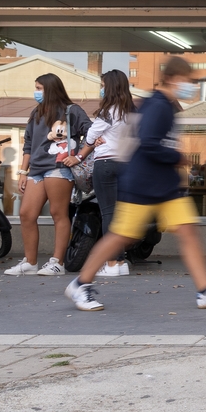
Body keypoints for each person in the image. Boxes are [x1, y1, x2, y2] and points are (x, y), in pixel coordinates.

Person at [64, 57, 206, 311]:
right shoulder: (157, 106)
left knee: (188, 231)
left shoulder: (163, 105)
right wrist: (177, 157)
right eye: (186, 81)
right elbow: (148, 143)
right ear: (172, 79)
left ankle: (205, 291)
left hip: (163, 186)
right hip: (143, 184)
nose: (189, 86)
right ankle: (80, 284)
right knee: (120, 236)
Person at [6, 73, 91, 277]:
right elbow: (28, 144)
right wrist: (23, 172)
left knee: (57, 213)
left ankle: (57, 262)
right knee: (26, 214)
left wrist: (78, 157)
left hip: (58, 168)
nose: (36, 92)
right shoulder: (36, 112)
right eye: (36, 88)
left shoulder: (72, 110)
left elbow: (91, 133)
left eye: (39, 88)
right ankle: (30, 262)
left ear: (50, 89)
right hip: (36, 170)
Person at [67, 69, 136, 277]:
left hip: (105, 164)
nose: (101, 88)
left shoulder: (108, 111)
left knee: (108, 214)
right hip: (126, 164)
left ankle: (113, 262)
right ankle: (121, 261)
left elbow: (91, 134)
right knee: (121, 214)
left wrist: (88, 146)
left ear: (111, 87)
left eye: (103, 85)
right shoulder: (132, 112)